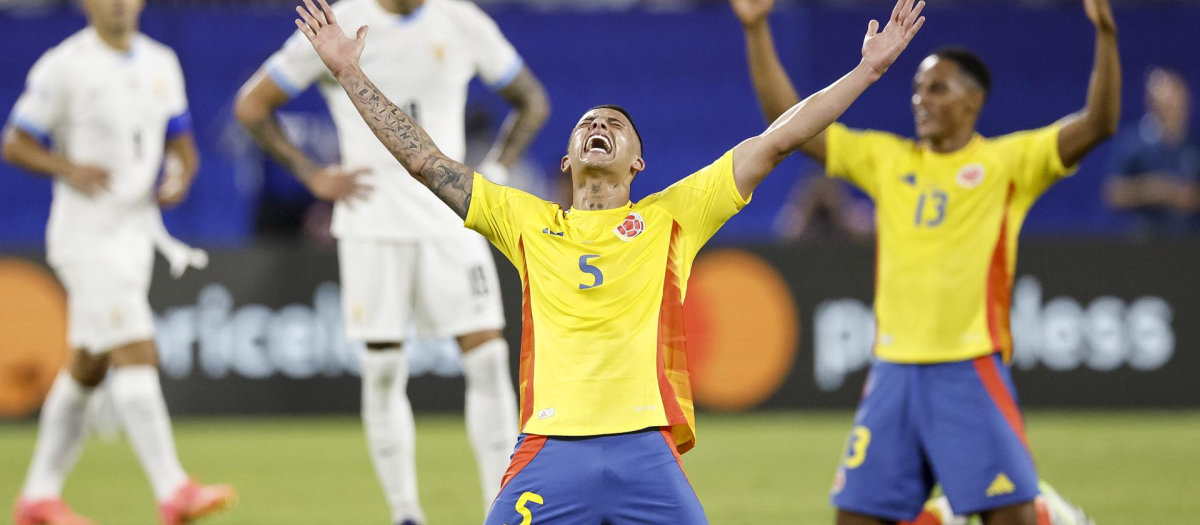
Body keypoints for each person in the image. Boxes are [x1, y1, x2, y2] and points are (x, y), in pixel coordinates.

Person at [290, 0, 924, 522]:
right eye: (588, 121)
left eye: (616, 124)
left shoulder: (674, 215)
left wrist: (866, 72)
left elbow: (781, 138)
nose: (600, 124)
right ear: (566, 160)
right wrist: (349, 74)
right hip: (548, 450)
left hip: (645, 452)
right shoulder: (526, 221)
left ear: (636, 165)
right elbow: (425, 160)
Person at [730, 0, 1120, 523]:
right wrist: (756, 29)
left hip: (969, 366)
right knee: (855, 519)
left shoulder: (1008, 164)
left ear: (973, 101)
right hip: (892, 372)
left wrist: (1107, 36)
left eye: (937, 88)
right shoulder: (888, 161)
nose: (921, 99)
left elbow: (1099, 123)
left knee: (1010, 518)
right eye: (917, 88)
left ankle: (1048, 511)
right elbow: (789, 126)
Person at [234, 0, 549, 521]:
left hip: (452, 221)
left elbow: (531, 99)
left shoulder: (460, 19)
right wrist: (311, 175)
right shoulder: (341, 22)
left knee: (490, 360)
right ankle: (406, 513)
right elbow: (251, 105)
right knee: (383, 369)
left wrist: (494, 169)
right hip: (372, 223)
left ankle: (501, 507)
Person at [2, 0, 236, 523]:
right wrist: (68, 166)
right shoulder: (63, 65)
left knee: (88, 364)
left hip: (136, 235)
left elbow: (182, 142)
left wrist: (181, 174)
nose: (119, 3)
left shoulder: (161, 62)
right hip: (85, 237)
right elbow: (15, 142)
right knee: (135, 344)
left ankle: (38, 495)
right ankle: (173, 489)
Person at [1104, 67, 1200, 236]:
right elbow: (1113, 194)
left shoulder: (1195, 142)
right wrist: (1154, 190)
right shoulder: (1132, 143)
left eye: (1174, 99)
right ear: (1151, 102)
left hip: (1190, 239)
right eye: (1164, 102)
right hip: (1146, 240)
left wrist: (1186, 196)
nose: (1170, 106)